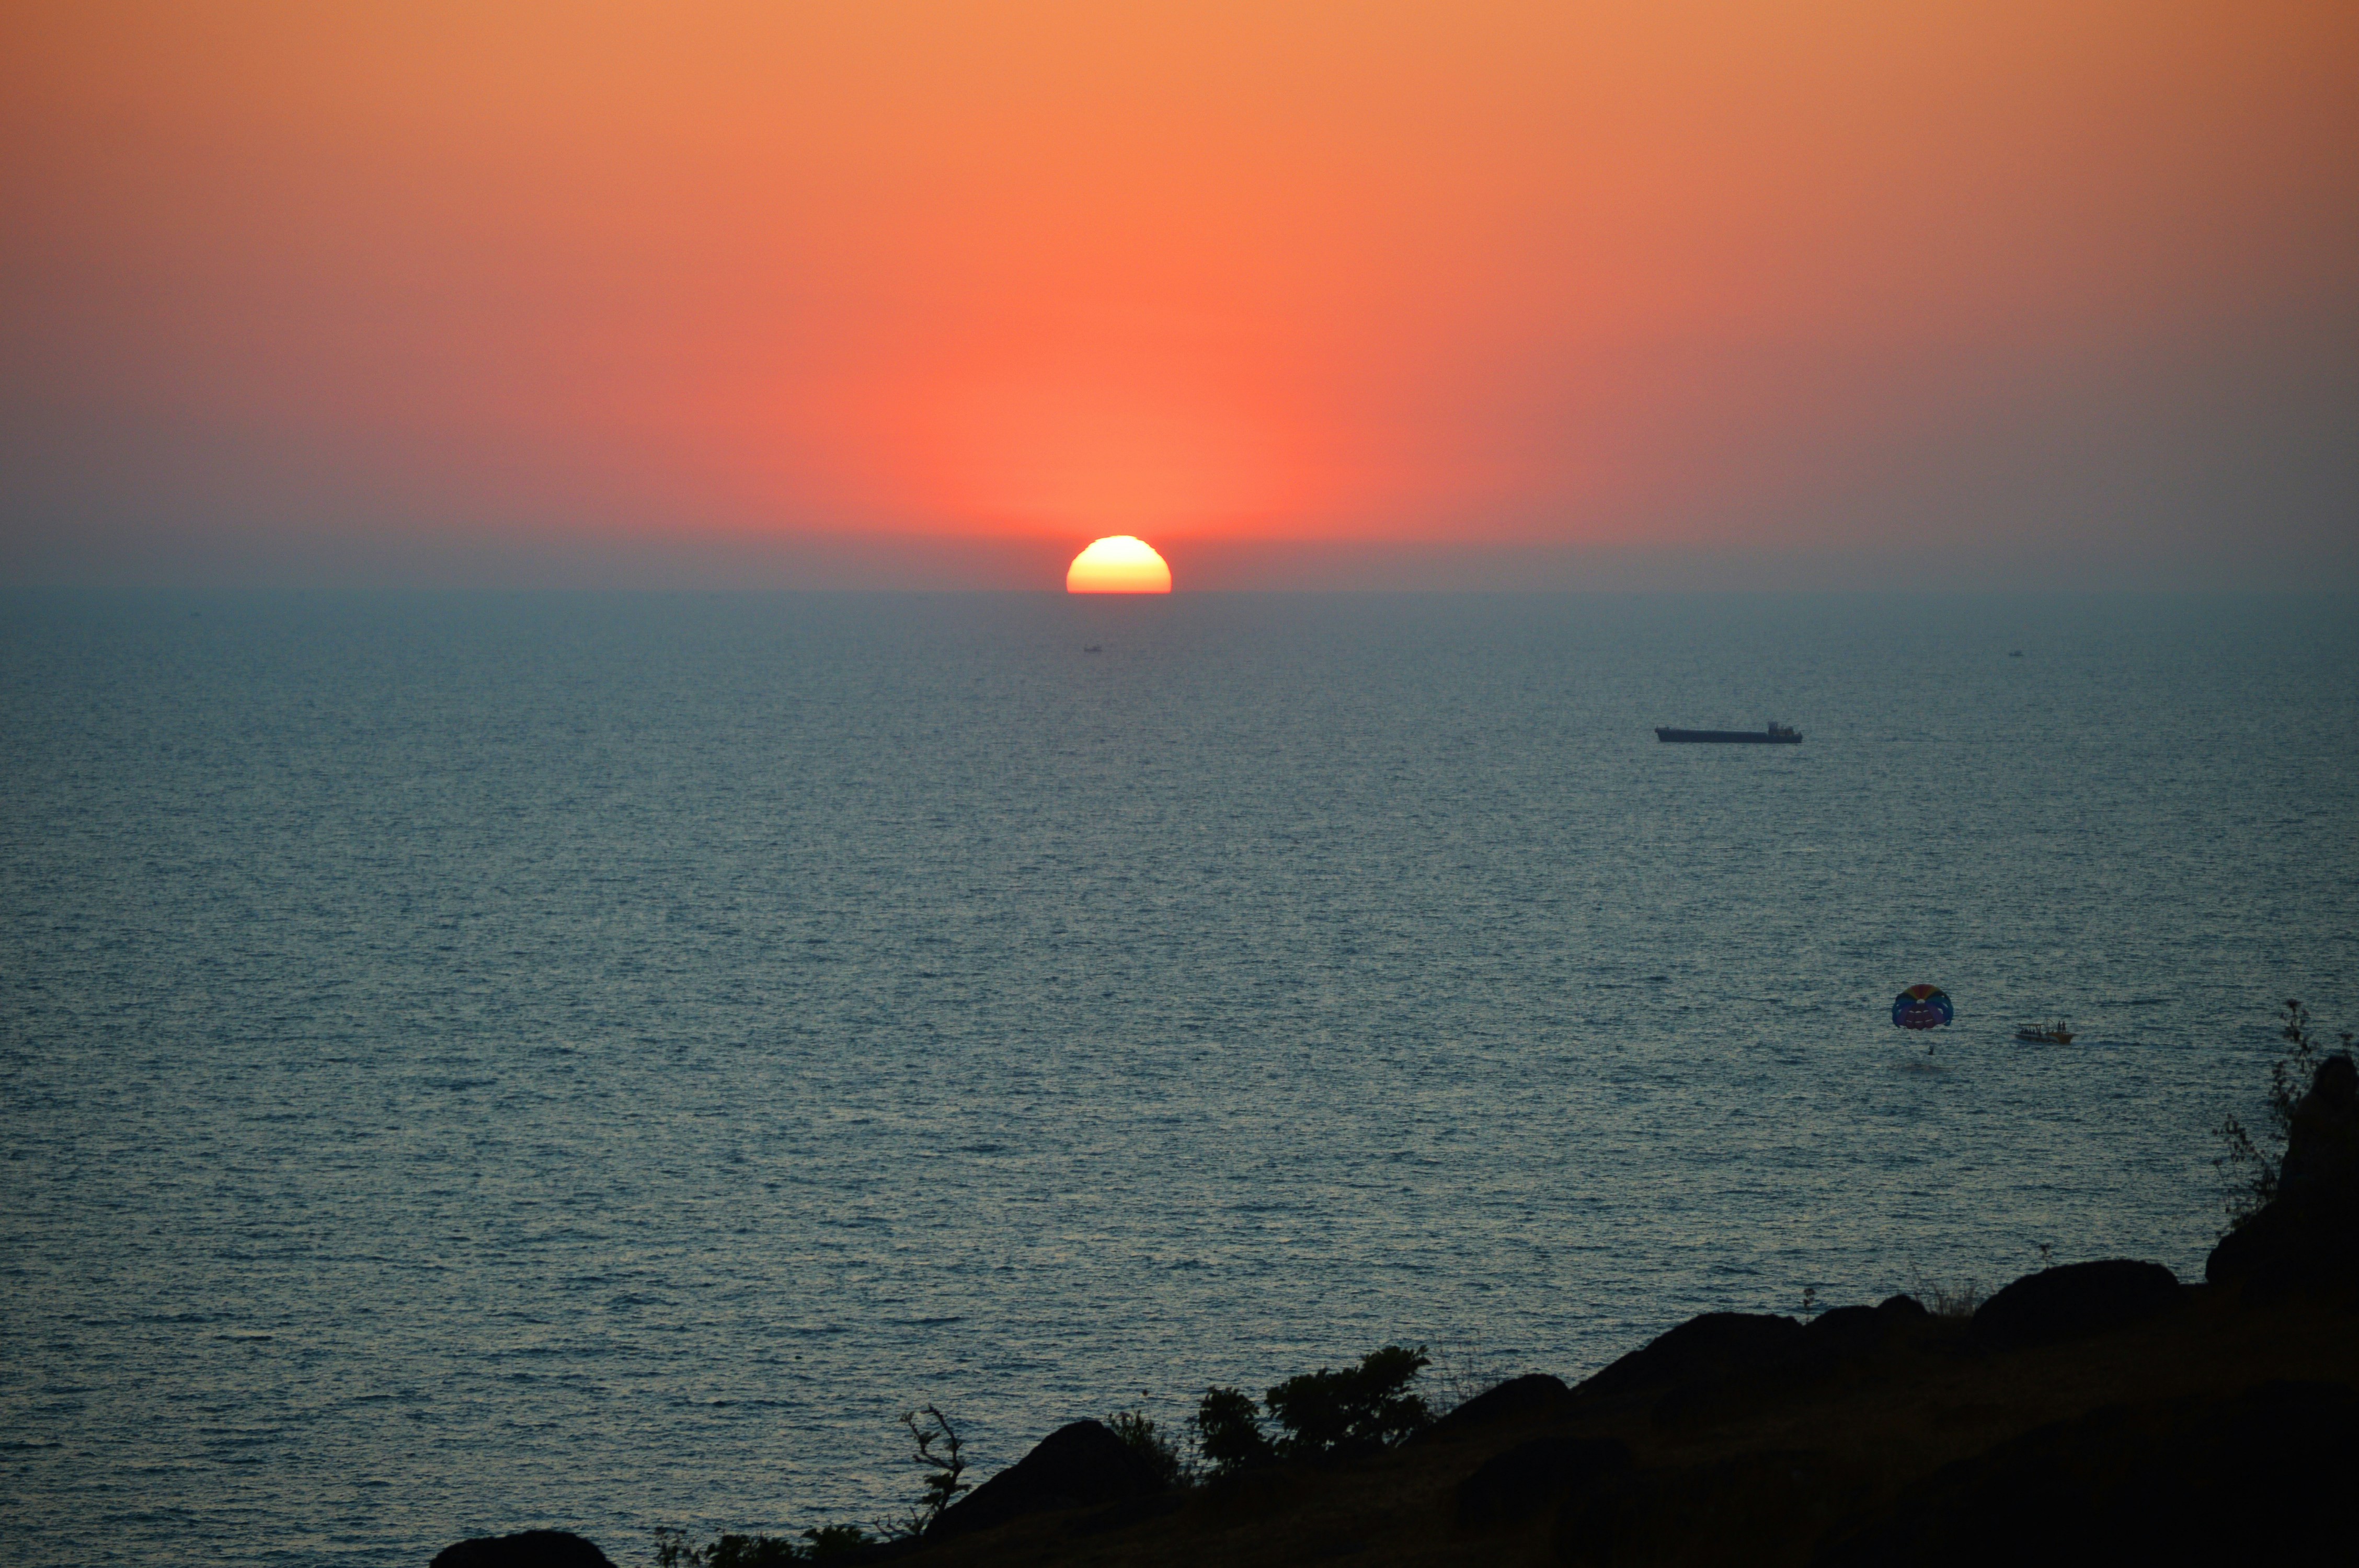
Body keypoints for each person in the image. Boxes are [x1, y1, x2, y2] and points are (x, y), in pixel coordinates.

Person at [2279, 1054, 2359, 1194]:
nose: (2340, 1083)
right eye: (2336, 1076)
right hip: (2300, 1173)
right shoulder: (2312, 1103)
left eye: (2346, 1078)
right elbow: (2333, 1131)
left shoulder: (2344, 1107)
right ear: (2324, 1078)